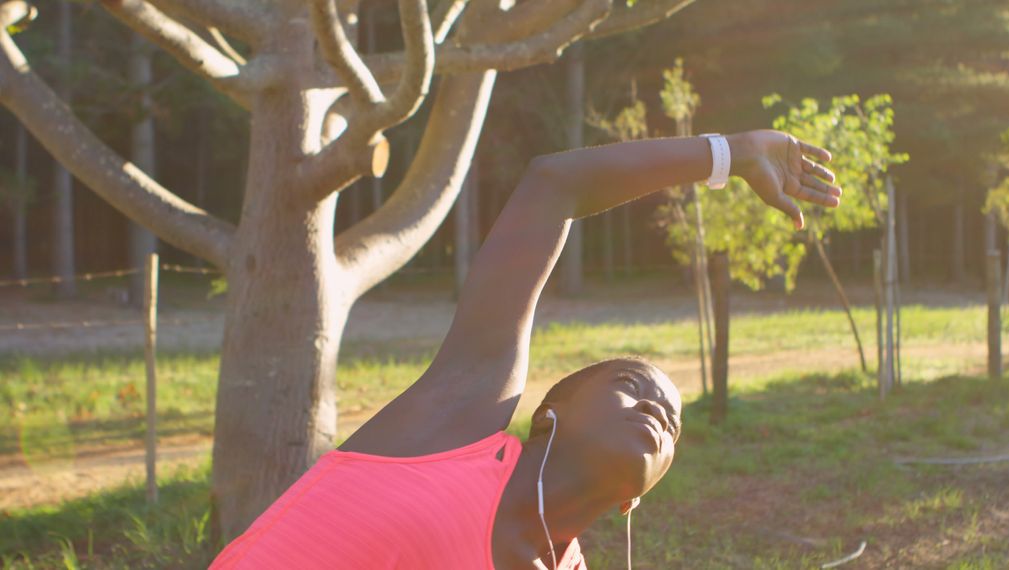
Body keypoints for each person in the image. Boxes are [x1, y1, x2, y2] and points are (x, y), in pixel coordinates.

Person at [209, 130, 840, 569]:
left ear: (635, 499)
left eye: (673, 422)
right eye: (633, 385)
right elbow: (553, 184)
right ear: (547, 415)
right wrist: (727, 154)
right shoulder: (456, 430)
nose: (659, 412)